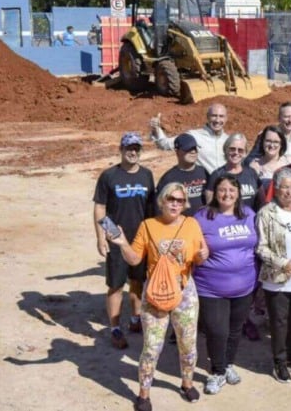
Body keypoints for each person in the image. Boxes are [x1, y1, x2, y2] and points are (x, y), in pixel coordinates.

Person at [109, 183, 207, 411]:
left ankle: (187, 383)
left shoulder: (191, 224)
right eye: (171, 199)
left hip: (184, 291)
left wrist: (204, 254)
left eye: (180, 200)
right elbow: (135, 259)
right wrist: (122, 243)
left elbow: (199, 256)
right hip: (155, 292)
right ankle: (143, 394)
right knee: (152, 347)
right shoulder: (148, 225)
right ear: (162, 201)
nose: (175, 204)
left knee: (187, 343)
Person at [193, 175, 258, 395]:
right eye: (222, 189)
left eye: (231, 190)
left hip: (245, 285)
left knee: (235, 329)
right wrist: (197, 254)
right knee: (217, 330)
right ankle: (217, 371)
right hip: (211, 287)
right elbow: (190, 246)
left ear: (238, 193)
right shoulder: (202, 217)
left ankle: (228, 364)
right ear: (214, 192)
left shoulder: (249, 214)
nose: (227, 194)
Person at [93, 132, 154, 349]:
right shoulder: (109, 176)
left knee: (137, 282)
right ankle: (115, 328)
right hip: (116, 240)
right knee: (116, 285)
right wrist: (103, 237)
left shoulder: (147, 175)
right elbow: (100, 208)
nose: (133, 152)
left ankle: (136, 319)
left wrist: (151, 237)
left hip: (140, 240)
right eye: (129, 148)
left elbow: (151, 208)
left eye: (136, 148)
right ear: (121, 150)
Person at [256, 168, 291, 383]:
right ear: (277, 188)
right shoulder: (267, 213)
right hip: (278, 279)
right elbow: (261, 247)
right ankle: (279, 362)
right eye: (284, 187)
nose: (288, 191)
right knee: (280, 324)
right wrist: (282, 263)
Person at [151, 104, 230, 173]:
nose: (217, 120)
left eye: (221, 116)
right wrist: (156, 129)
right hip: (205, 184)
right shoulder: (194, 136)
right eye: (214, 116)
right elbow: (164, 144)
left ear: (226, 118)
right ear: (207, 116)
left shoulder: (229, 140)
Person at [206, 134, 260, 211]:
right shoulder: (216, 175)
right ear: (225, 150)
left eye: (240, 150)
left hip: (250, 217)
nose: (236, 153)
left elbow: (262, 201)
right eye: (232, 149)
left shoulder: (252, 173)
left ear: (245, 153)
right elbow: (210, 206)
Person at [156, 134, 208, 212]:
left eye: (195, 148)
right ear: (177, 152)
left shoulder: (204, 172)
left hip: (202, 219)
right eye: (188, 149)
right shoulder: (168, 178)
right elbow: (159, 207)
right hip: (179, 220)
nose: (193, 152)